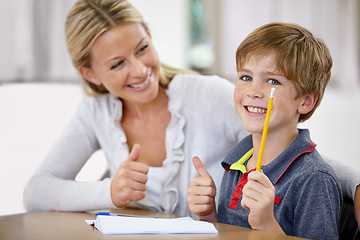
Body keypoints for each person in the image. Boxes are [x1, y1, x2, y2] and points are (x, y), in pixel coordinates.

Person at [23, 0, 359, 223]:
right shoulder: (94, 113)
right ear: (90, 74)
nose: (140, 70)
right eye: (117, 64)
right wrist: (108, 191)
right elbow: (36, 191)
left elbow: (289, 151)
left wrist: (356, 184)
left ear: (150, 37)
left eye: (142, 49)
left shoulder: (204, 95)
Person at [187, 23, 342, 239]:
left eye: (273, 81)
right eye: (246, 77)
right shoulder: (235, 164)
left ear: (306, 101)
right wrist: (208, 214)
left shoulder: (313, 179)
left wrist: (268, 224)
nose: (253, 91)